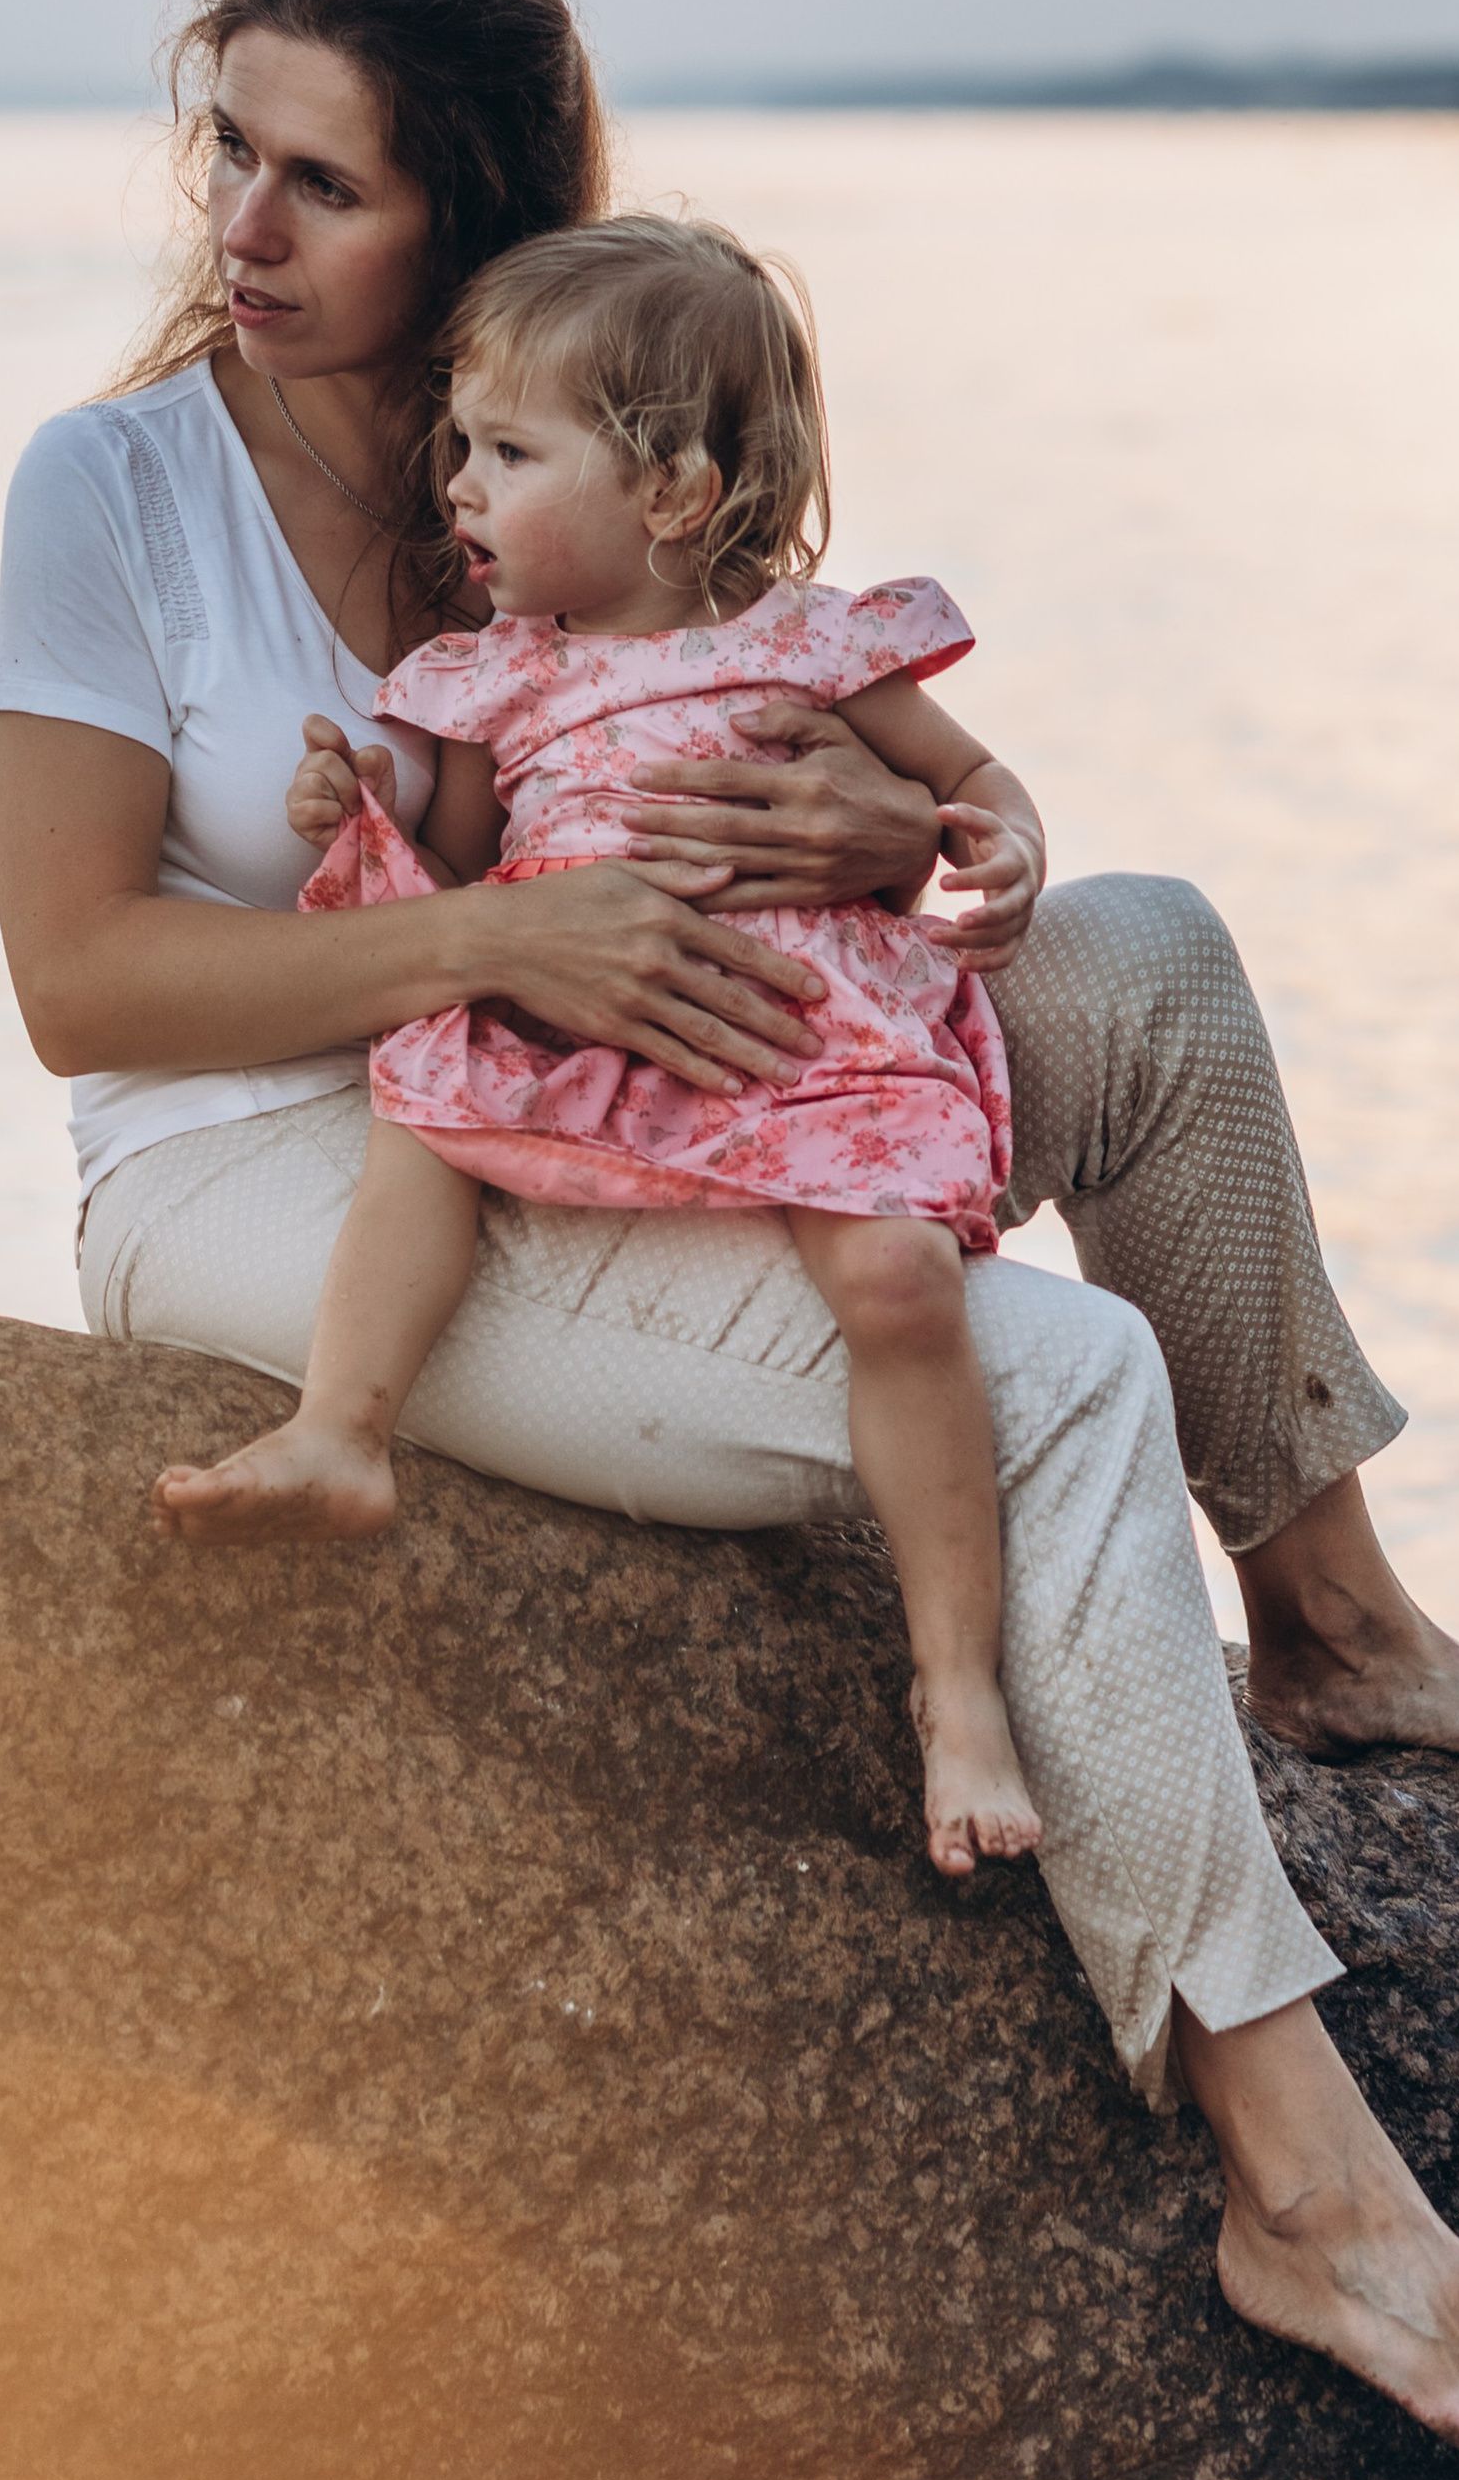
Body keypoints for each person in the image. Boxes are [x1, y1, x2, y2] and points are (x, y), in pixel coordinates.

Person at [0, 0, 1459, 2480]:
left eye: (324, 183)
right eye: (233, 151)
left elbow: (834, 758)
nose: (244, 229)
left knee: (1154, 960)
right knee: (1056, 1372)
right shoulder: (110, 487)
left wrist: (918, 835)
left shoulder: (546, 450)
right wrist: (501, 922)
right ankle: (1300, 2174)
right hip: (278, 1165)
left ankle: (1334, 1620)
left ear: (477, 219)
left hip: (628, 1062)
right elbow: (80, 986)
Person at [156, 212, 1054, 1877]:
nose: (461, 488)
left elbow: (974, 784)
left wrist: (994, 843)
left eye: (508, 450)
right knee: (421, 1111)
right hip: (584, 1020)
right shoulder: (496, 678)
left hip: (792, 1031)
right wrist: (351, 798)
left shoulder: (804, 642)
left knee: (902, 1286)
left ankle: (958, 1684)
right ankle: (343, 1423)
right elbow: (463, 849)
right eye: (461, 446)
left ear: (673, 495)